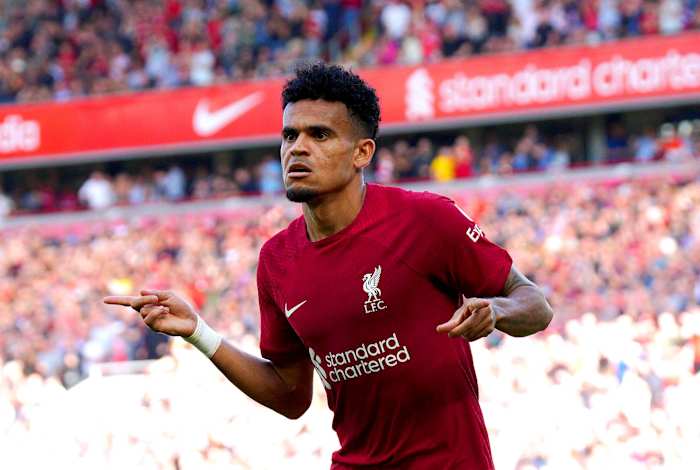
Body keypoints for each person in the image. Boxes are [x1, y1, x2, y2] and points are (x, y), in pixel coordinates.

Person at [103, 63, 554, 469]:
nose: (297, 149)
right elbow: (290, 395)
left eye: (319, 135)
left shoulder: (426, 219)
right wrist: (199, 333)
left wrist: (496, 312)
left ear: (362, 153)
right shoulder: (276, 261)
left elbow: (535, 304)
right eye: (289, 136)